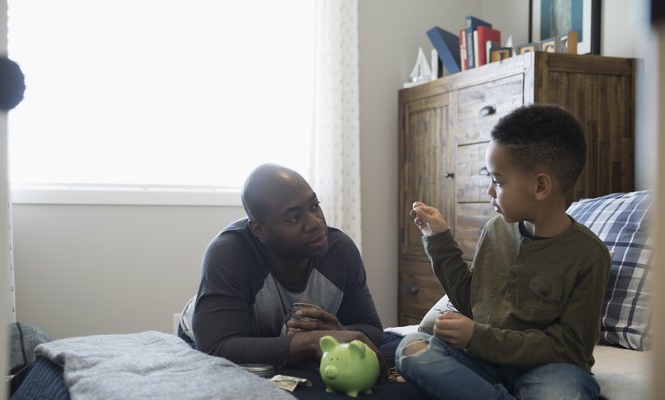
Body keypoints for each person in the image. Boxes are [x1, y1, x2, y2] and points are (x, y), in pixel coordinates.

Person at [395, 104, 611, 400]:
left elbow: (570, 348)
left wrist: (477, 336)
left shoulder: (589, 256)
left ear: (540, 186)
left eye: (497, 180)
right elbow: (475, 302)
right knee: (411, 349)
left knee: (565, 393)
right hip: (483, 361)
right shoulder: (495, 230)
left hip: (548, 368)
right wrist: (439, 239)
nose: (489, 192)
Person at [186, 163, 384, 372]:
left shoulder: (340, 252)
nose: (315, 222)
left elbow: (371, 329)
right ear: (259, 230)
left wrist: (339, 330)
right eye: (293, 218)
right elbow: (217, 347)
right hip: (203, 335)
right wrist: (311, 341)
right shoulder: (229, 253)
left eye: (314, 205)